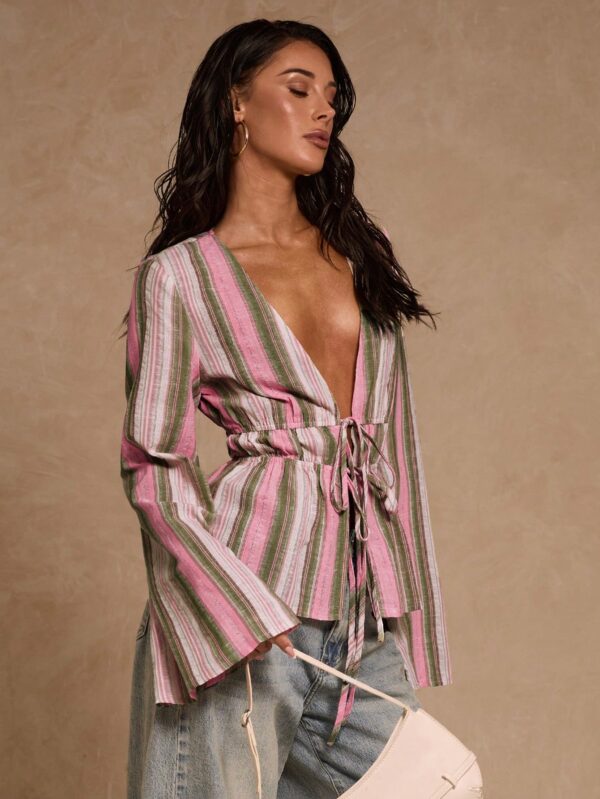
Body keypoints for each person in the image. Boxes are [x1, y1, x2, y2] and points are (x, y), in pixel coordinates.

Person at [119, 18, 452, 799]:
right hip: (242, 604)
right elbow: (154, 465)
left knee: (432, 784)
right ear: (236, 103)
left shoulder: (361, 252)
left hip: (357, 610)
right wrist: (233, 608)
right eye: (298, 90)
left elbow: (392, 443)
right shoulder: (181, 276)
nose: (322, 110)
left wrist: (403, 607)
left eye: (331, 97)